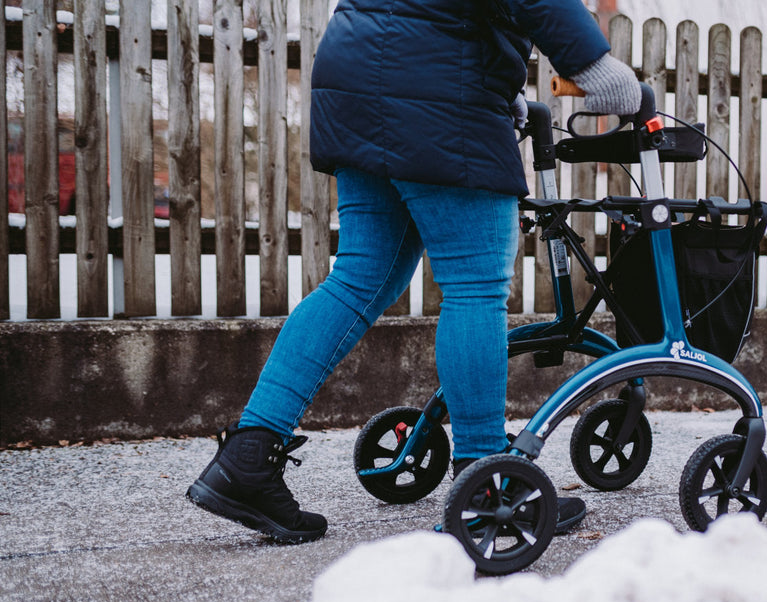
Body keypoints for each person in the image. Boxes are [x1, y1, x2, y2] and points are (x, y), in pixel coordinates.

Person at [185, 0, 641, 544]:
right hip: (437, 96)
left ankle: (248, 457)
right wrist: (594, 63)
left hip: (358, 81)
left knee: (356, 280)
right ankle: (485, 482)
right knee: (474, 287)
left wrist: (497, 80)